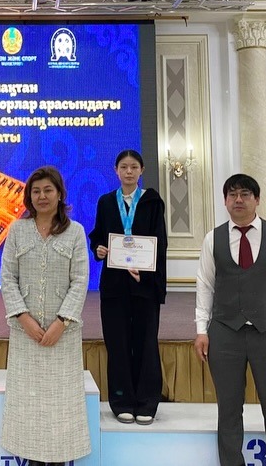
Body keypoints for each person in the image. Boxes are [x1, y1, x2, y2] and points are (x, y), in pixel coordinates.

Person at [194, 173, 266, 466]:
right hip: (224, 333)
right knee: (229, 410)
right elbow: (205, 286)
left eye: (245, 194)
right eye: (232, 195)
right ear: (225, 201)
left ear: (257, 200)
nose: (238, 200)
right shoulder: (212, 239)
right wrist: (201, 330)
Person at [0, 166, 91, 466]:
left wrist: (61, 323)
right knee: (28, 405)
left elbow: (80, 280)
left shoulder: (75, 232)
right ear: (29, 196)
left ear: (60, 194)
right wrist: (23, 318)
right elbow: (7, 277)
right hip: (26, 335)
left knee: (60, 406)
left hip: (62, 336)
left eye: (48, 190)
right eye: (36, 191)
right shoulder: (17, 230)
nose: (42, 196)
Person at [88, 150, 167, 425]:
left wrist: (147, 273)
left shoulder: (152, 201)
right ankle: (121, 400)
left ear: (142, 170)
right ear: (116, 170)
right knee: (117, 342)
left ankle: (146, 402)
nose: (129, 172)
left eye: (134, 167)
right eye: (124, 167)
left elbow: (159, 242)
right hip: (114, 285)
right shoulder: (106, 201)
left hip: (144, 284)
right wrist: (98, 249)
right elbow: (98, 235)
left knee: (146, 342)